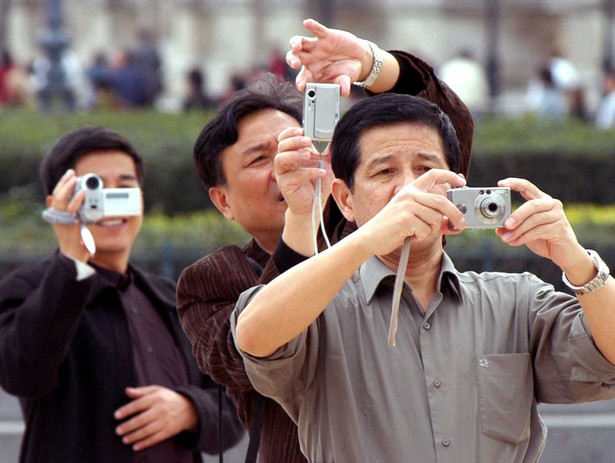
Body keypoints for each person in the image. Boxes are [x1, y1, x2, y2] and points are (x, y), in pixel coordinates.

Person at [232, 92, 615, 463]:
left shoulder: (515, 301)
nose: (408, 189)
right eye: (384, 172)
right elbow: (253, 335)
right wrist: (370, 238)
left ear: (456, 187)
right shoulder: (317, 308)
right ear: (345, 200)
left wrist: (578, 262)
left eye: (425, 170)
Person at [176, 18, 473, 463]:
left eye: (297, 143)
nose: (287, 163)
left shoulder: (375, 224)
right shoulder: (211, 282)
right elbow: (253, 355)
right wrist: (301, 220)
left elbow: (438, 133)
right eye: (262, 159)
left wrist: (372, 66)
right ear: (223, 201)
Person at [0, 126, 244, 463]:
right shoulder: (30, 288)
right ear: (57, 202)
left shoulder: (171, 298)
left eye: (125, 187)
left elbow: (232, 409)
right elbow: (22, 375)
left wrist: (189, 409)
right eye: (94, 188)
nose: (110, 203)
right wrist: (72, 262)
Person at [439, 48, 489, 117]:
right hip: (470, 103)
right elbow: (481, 87)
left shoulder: (448, 66)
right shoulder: (474, 67)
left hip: (451, 102)